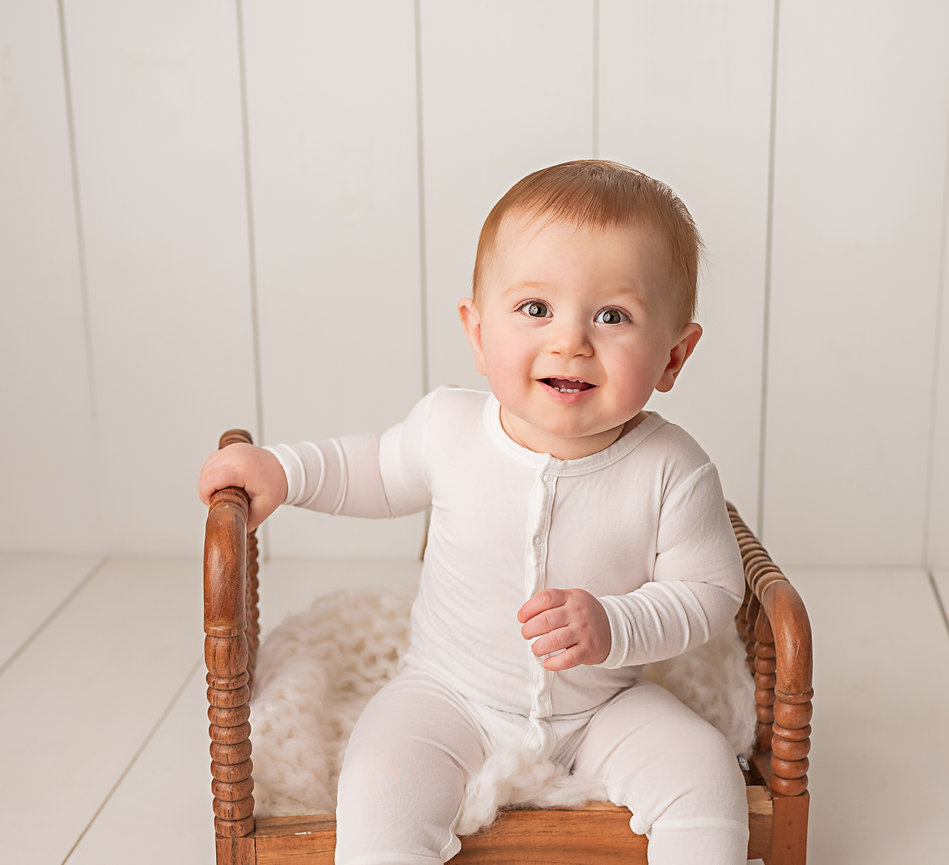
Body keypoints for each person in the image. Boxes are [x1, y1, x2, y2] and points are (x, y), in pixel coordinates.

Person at [199, 159, 750, 864]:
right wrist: (283, 469)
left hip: (602, 705)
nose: (570, 340)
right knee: (379, 780)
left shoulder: (672, 467)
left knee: (702, 770)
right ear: (477, 330)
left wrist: (615, 623)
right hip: (447, 693)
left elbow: (708, 594)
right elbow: (371, 467)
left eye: (612, 315)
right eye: (535, 308)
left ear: (674, 355)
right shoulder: (449, 427)